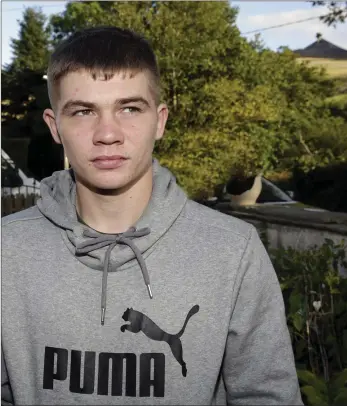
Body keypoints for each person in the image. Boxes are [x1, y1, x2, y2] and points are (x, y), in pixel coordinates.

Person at [1, 26, 303, 405]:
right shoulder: (7, 251)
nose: (107, 133)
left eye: (129, 108)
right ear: (54, 126)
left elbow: (267, 395)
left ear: (159, 120)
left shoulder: (232, 251)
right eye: (82, 111)